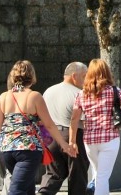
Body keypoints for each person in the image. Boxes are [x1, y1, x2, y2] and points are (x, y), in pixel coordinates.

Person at [0, 60, 78, 195]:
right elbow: (50, 125)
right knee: (17, 190)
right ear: (32, 76)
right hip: (28, 150)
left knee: (27, 188)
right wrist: (64, 144)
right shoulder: (34, 96)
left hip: (7, 150)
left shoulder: (4, 97)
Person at [70, 59, 121, 195]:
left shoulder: (81, 94)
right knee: (103, 176)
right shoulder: (115, 91)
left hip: (89, 141)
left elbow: (74, 118)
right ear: (106, 72)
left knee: (97, 173)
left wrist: (72, 141)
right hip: (109, 139)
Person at [39, 62, 90, 195]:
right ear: (74, 76)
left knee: (53, 173)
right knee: (77, 174)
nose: (87, 80)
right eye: (84, 76)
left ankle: (43, 193)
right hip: (73, 136)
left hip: (50, 137)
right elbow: (85, 120)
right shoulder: (79, 94)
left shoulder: (48, 91)